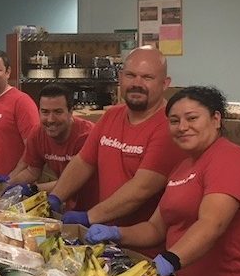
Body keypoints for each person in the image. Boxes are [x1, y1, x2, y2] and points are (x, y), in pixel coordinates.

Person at [85, 86, 240, 276]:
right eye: (174, 121)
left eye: (192, 118)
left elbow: (212, 223)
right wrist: (116, 233)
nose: (182, 127)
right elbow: (155, 228)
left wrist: (169, 259)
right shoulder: (182, 168)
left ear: (216, 119)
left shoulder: (231, 160)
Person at [47, 47, 186, 258]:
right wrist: (55, 197)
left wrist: (90, 217)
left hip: (142, 253)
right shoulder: (112, 115)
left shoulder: (169, 127)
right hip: (103, 242)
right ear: (120, 78)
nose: (137, 83)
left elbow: (141, 188)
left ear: (165, 83)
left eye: (147, 77)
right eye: (130, 75)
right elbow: (83, 162)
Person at [5, 83, 96, 211]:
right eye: (45, 112)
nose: (50, 119)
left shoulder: (87, 136)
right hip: (69, 206)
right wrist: (9, 185)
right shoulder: (38, 133)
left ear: (70, 112)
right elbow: (32, 171)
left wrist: (34, 189)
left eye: (58, 112)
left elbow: (75, 181)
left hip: (95, 207)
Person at [0, 48, 40, 176]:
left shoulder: (22, 102)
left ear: (8, 72)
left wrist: (12, 179)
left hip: (11, 183)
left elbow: (34, 149)